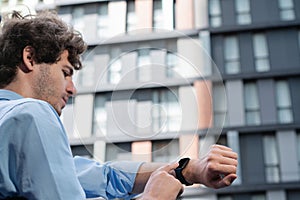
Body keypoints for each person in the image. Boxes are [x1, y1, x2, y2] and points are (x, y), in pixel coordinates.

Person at [0, 11, 238, 200]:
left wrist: (188, 170)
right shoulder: (32, 114)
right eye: (65, 73)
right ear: (29, 59)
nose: (72, 89)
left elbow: (104, 176)